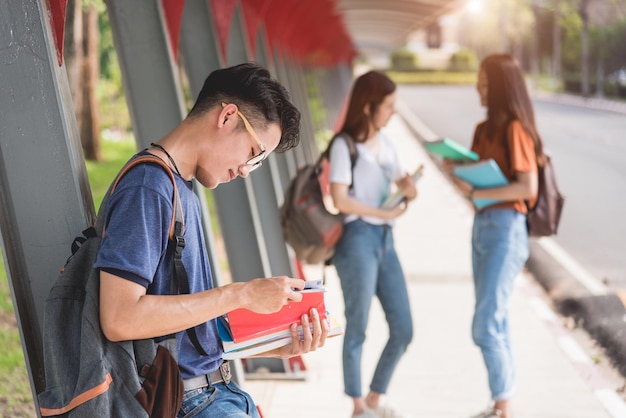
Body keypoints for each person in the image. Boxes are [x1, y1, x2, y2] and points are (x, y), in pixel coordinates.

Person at [94, 63, 329, 418]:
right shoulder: (149, 188)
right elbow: (119, 317)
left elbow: (180, 337)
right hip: (186, 403)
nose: (247, 170)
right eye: (254, 152)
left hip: (211, 394)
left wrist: (274, 344)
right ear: (227, 117)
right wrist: (241, 293)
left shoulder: (180, 188)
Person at [445, 54, 543, 418]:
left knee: (485, 325)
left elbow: (527, 186)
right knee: (497, 320)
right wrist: (457, 170)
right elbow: (471, 186)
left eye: (484, 82)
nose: (478, 88)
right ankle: (503, 405)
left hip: (506, 229)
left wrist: (479, 193)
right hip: (484, 226)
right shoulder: (483, 130)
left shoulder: (516, 129)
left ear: (500, 87)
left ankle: (503, 406)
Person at [328, 70, 417, 418]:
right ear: (368, 106)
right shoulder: (344, 145)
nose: (392, 112)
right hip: (357, 240)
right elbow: (340, 200)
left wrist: (410, 191)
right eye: (388, 105)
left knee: (404, 328)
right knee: (359, 325)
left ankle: (374, 398)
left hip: (384, 239)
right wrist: (379, 212)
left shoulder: (388, 144)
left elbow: (402, 187)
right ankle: (357, 407)